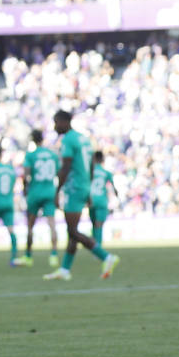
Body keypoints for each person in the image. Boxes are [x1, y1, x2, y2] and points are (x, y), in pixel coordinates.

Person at [44, 109, 120, 282]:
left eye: (56, 122)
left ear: (64, 122)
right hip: (84, 186)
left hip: (74, 188)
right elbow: (92, 166)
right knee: (73, 232)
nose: (55, 127)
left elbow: (66, 167)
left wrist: (57, 191)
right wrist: (90, 188)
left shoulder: (68, 140)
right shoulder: (84, 139)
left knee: (72, 230)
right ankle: (64, 270)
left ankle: (106, 257)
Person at [21, 130, 62, 268]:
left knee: (30, 225)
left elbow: (26, 175)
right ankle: (54, 255)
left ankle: (28, 255)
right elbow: (58, 173)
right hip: (50, 191)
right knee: (52, 224)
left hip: (35, 192)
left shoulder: (31, 155)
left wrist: (25, 189)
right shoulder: (52, 155)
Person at [88, 150, 119, 248]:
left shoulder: (90, 172)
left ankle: (93, 245)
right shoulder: (106, 173)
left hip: (91, 200)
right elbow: (114, 188)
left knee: (94, 224)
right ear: (103, 159)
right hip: (101, 200)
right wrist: (116, 195)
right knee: (99, 224)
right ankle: (98, 247)